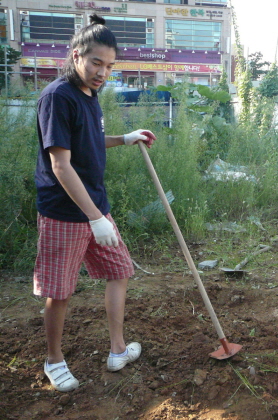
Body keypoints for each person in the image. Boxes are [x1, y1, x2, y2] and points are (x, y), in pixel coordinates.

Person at [34, 14, 157, 392]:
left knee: (119, 270)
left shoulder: (91, 96)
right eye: (96, 63)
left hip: (95, 208)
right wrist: (93, 218)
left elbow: (86, 143)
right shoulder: (58, 96)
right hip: (65, 211)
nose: (103, 72)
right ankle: (54, 359)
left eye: (109, 66)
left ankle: (118, 350)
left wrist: (125, 137)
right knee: (60, 291)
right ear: (76, 56)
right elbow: (60, 163)